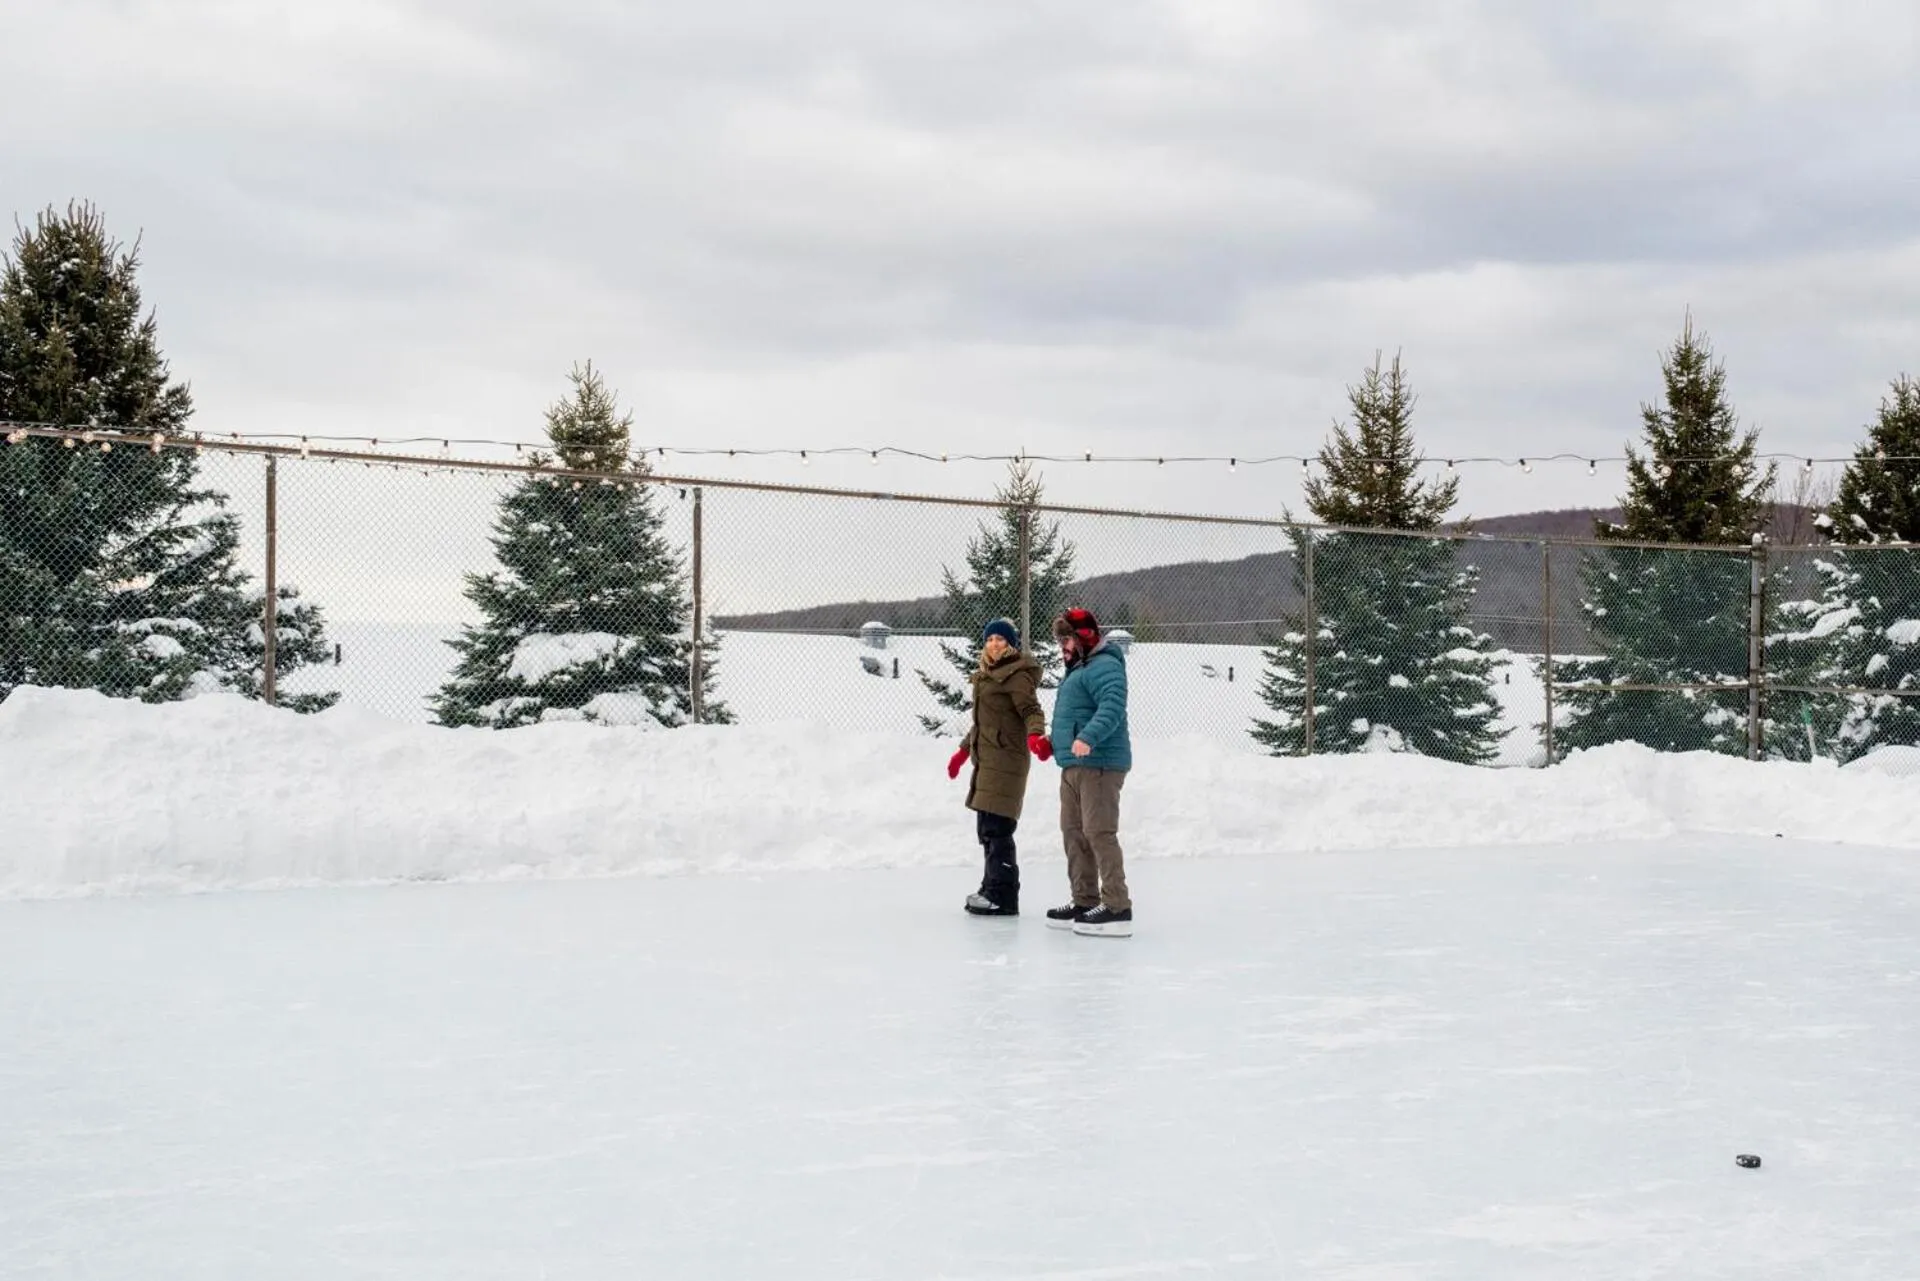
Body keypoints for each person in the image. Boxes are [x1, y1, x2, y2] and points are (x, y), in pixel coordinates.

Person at [946, 618, 1052, 916]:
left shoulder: (1016, 675)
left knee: (998, 829)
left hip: (1006, 760)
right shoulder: (987, 675)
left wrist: (1035, 736)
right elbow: (982, 724)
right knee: (987, 829)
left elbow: (1031, 709)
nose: (994, 644)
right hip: (988, 761)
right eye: (990, 639)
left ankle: (1003, 896)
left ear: (1011, 644)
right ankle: (990, 886)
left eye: (1000, 639)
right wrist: (962, 753)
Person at [1044, 607, 1133, 937]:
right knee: (1074, 833)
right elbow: (1076, 716)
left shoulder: (1105, 665)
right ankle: (1084, 900)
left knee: (1099, 832)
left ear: (1083, 638)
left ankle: (1117, 906)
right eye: (1060, 641)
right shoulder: (1079, 669)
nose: (1062, 647)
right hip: (1074, 765)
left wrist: (1087, 738)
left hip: (1100, 763)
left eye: (1066, 639)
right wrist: (1053, 743)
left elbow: (1112, 706)